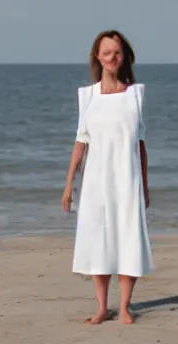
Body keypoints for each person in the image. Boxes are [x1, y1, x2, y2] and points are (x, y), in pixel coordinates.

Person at [62, 29, 153, 325]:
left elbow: (140, 144)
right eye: (106, 52)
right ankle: (102, 307)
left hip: (128, 180)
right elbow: (81, 141)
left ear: (123, 56)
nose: (112, 57)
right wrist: (68, 184)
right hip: (95, 182)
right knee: (98, 240)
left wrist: (146, 187)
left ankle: (125, 306)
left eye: (117, 52)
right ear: (97, 57)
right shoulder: (87, 96)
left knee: (129, 239)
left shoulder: (135, 95)